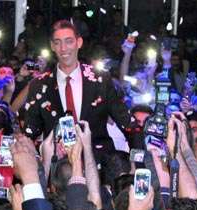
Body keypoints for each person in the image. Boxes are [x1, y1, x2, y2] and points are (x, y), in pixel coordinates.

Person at [23, 20, 141, 167]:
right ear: (52, 46)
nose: (63, 48)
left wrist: (138, 167)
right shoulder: (39, 85)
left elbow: (129, 126)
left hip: (99, 166)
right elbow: (29, 134)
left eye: (69, 41)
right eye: (58, 42)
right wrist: (45, 152)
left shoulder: (101, 79)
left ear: (79, 42)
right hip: (58, 171)